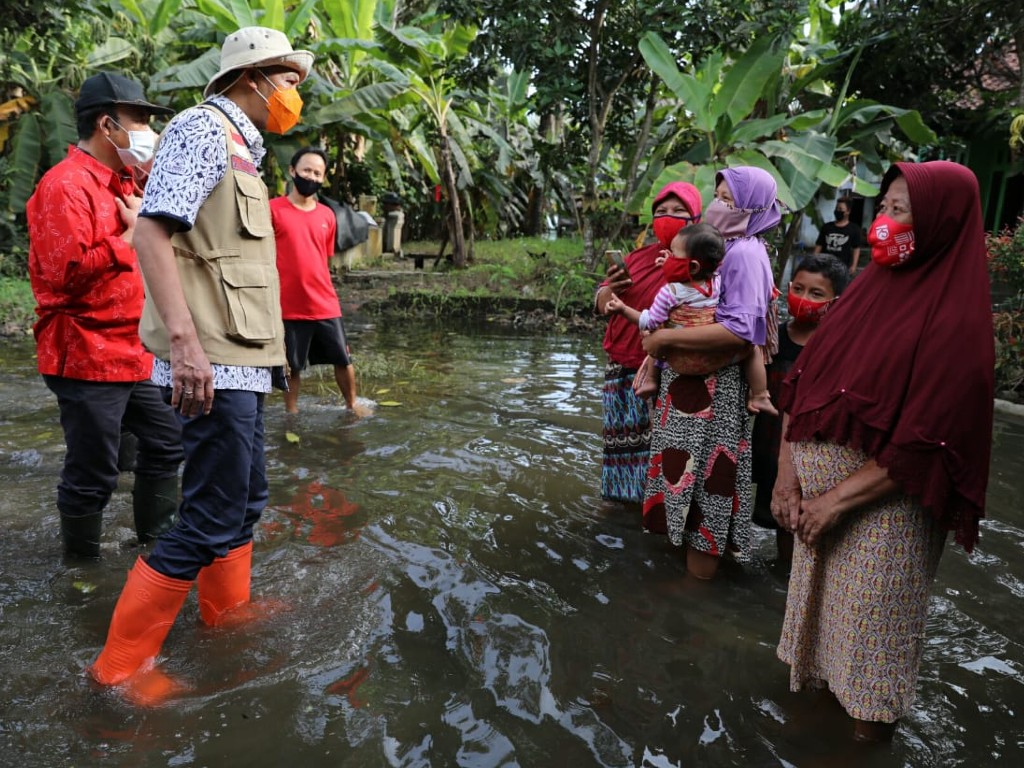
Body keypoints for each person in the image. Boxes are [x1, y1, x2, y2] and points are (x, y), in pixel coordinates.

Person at [88, 27, 314, 705]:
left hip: (242, 361)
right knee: (209, 515)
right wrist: (184, 346)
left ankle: (224, 614)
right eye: (289, 82)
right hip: (209, 358)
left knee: (242, 503)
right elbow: (153, 232)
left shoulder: (246, 146)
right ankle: (120, 670)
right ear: (251, 77)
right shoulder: (201, 130)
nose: (293, 97)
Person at [772, 161, 994, 742]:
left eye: (901, 212)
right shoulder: (867, 288)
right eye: (885, 208)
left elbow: (928, 441)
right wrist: (787, 477)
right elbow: (803, 382)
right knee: (819, 654)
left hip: (882, 519)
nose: (882, 225)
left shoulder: (956, 320)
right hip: (815, 504)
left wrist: (834, 503)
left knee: (868, 668)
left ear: (942, 225)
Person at [26, 73, 183, 560]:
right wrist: (129, 238)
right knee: (93, 470)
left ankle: (156, 547)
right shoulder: (63, 186)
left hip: (135, 350)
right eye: (140, 120)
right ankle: (83, 570)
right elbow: (63, 274)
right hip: (86, 353)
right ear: (107, 124)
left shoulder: (125, 180)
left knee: (167, 442)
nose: (147, 130)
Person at [640, 167, 781, 580]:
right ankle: (686, 585)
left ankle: (696, 593)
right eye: (718, 197)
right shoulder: (728, 248)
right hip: (693, 388)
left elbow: (741, 331)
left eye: (730, 201)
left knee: (707, 487)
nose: (719, 206)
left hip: (713, 395)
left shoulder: (744, 254)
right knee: (686, 479)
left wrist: (664, 343)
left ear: (755, 209)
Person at [594, 182, 703, 504]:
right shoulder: (639, 256)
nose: (668, 217)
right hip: (620, 367)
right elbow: (601, 303)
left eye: (678, 211)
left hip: (665, 370)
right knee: (618, 450)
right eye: (661, 212)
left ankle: (654, 515)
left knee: (661, 453)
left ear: (695, 217)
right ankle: (618, 510)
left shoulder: (703, 262)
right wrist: (610, 288)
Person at [606, 223, 775, 415]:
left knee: (654, 329)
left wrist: (623, 309)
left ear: (693, 266)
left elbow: (650, 320)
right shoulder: (717, 282)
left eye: (675, 256)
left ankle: (652, 379)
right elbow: (699, 276)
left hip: (680, 359)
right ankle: (761, 395)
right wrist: (673, 265)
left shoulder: (669, 293)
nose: (670, 259)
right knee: (752, 348)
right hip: (712, 357)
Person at [750, 254, 848, 566]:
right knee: (747, 508)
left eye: (816, 294)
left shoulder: (835, 348)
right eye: (799, 289)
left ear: (836, 302)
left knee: (791, 526)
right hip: (761, 443)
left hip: (800, 456)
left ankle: (785, 580)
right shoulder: (772, 336)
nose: (804, 298)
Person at [271, 147, 369, 417]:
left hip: (324, 302)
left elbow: (321, 258)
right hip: (287, 304)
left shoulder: (327, 215)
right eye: (306, 170)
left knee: (343, 358)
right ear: (292, 171)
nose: (311, 176)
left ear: (323, 178)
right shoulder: (272, 210)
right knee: (293, 365)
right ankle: (291, 412)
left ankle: (352, 404)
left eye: (317, 173)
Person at [813, 196, 862, 275]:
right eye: (836, 208)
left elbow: (856, 248)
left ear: (848, 211)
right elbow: (819, 245)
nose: (837, 211)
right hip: (824, 267)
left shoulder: (854, 229)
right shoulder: (827, 227)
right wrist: (813, 261)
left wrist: (854, 265)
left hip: (842, 268)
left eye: (840, 209)